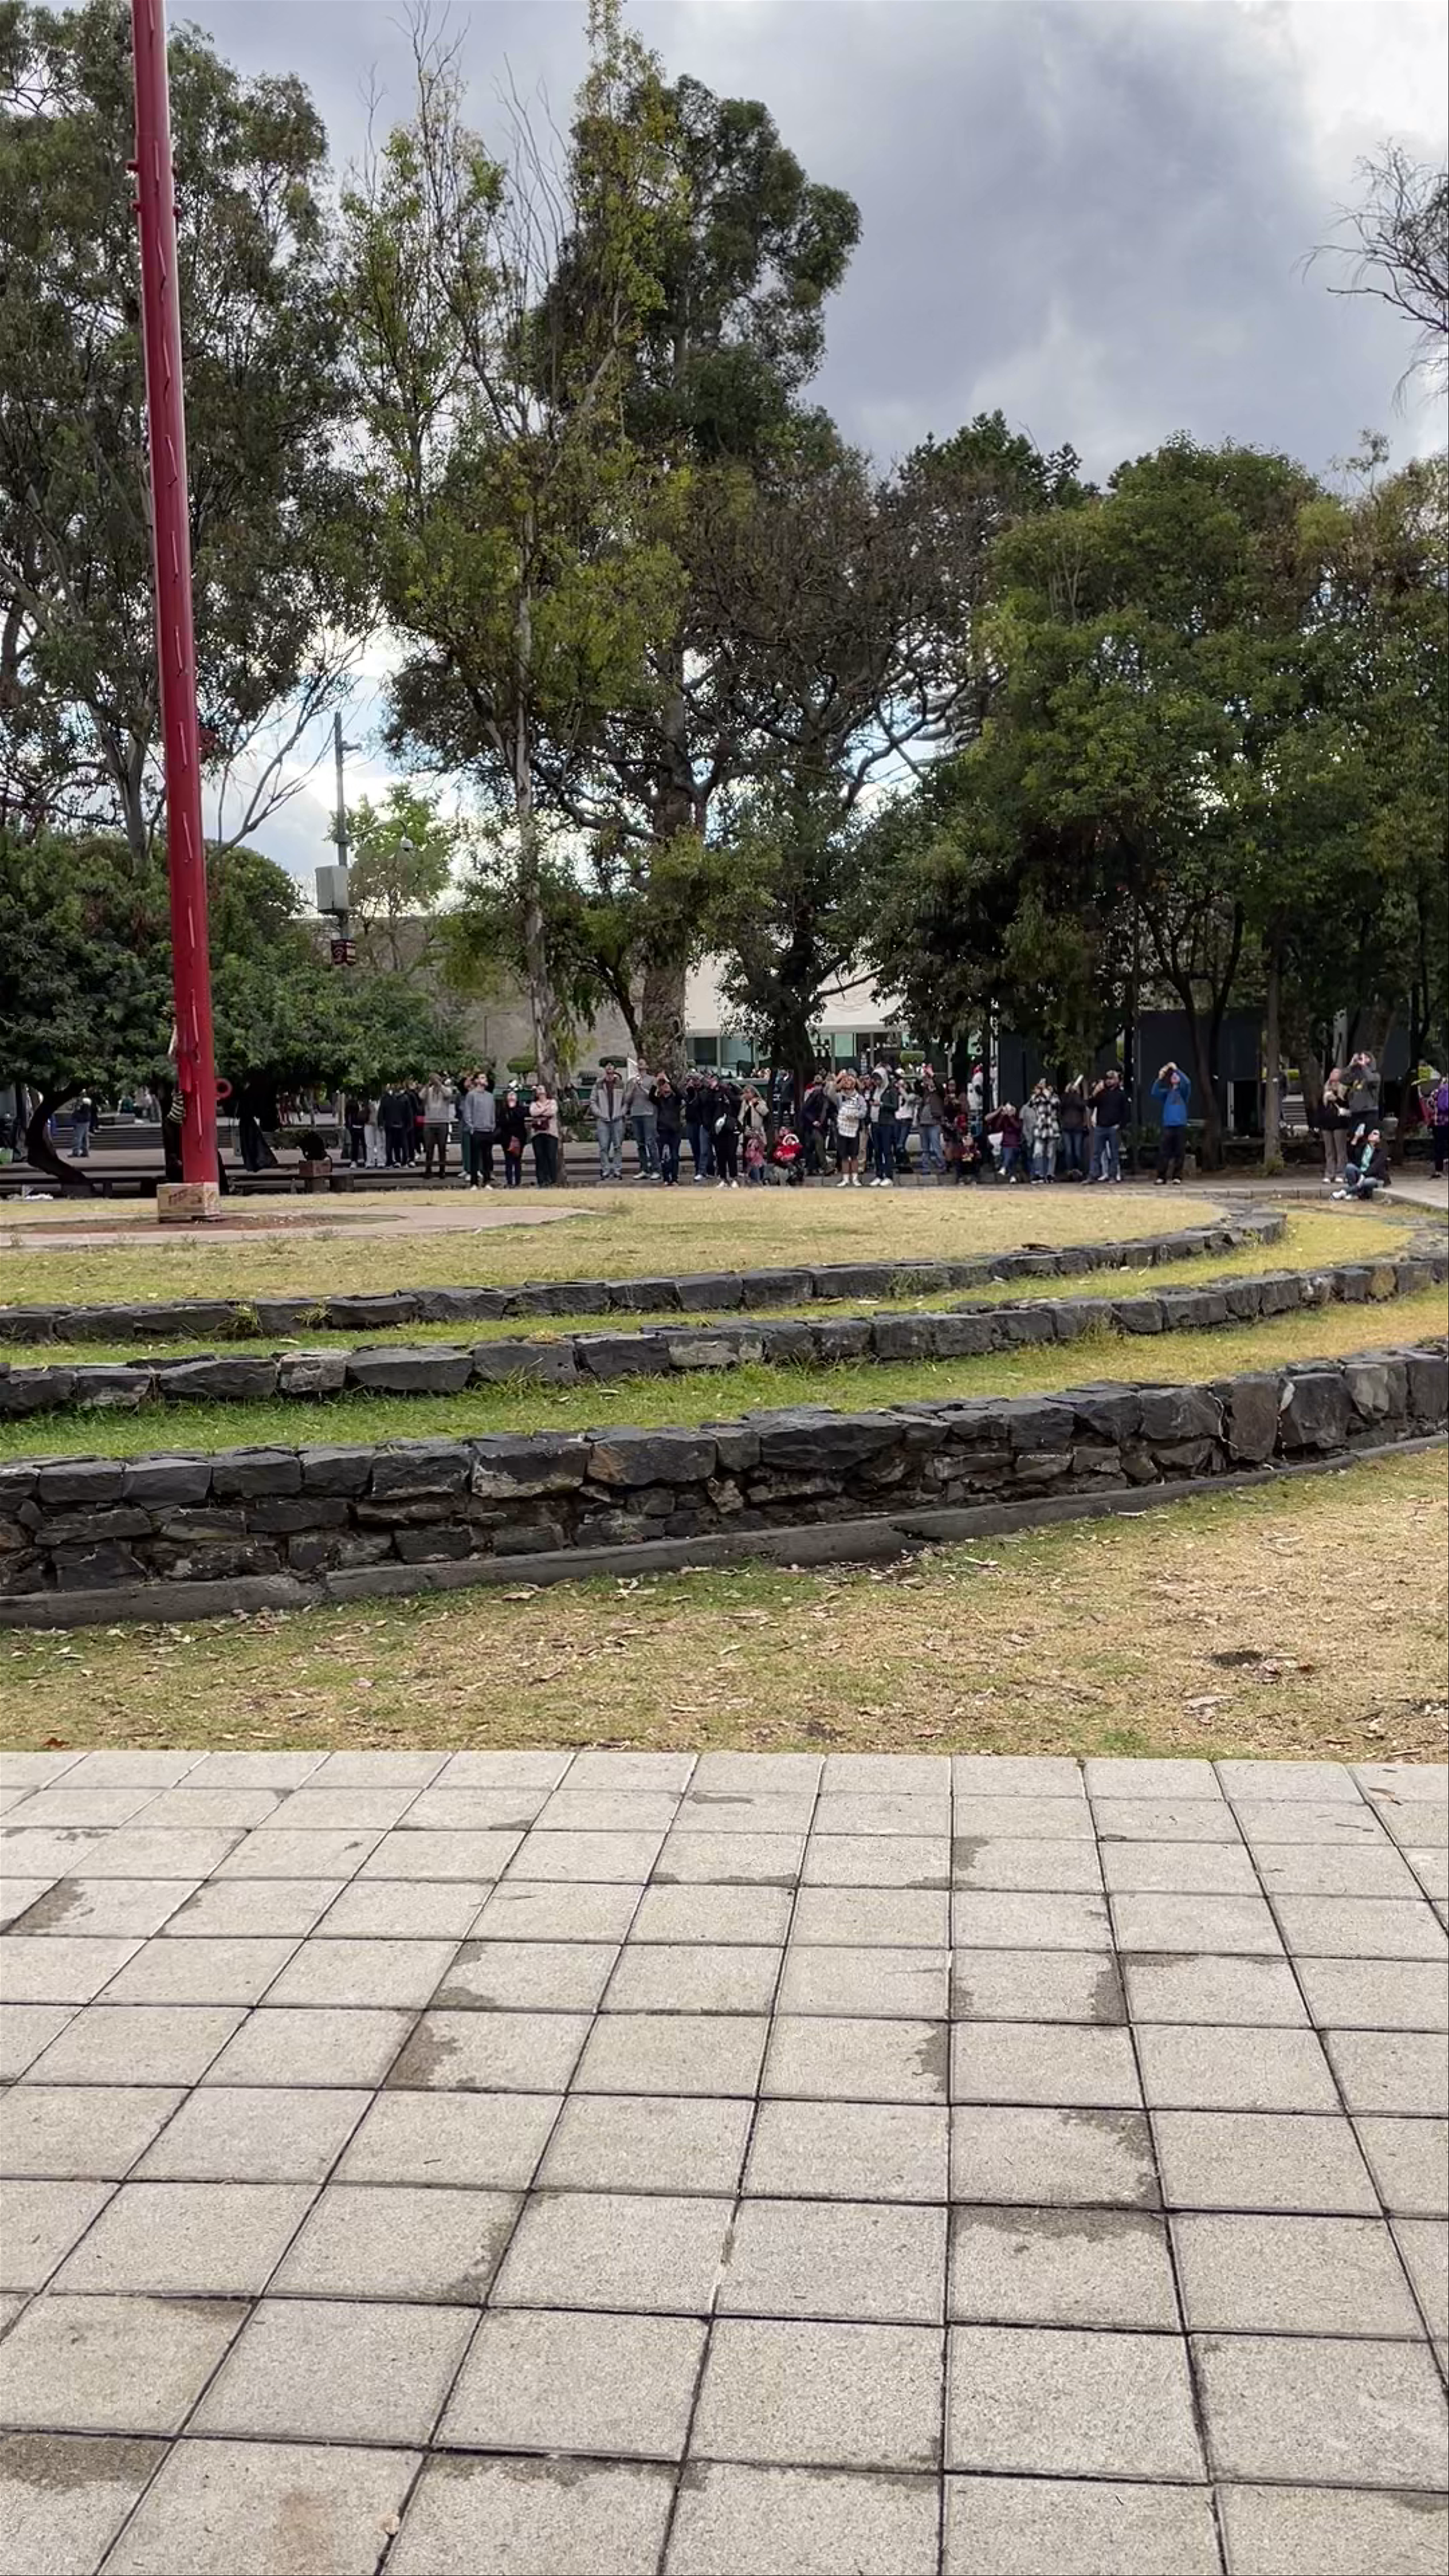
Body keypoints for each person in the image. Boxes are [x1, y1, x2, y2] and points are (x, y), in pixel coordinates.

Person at [1151, 1062, 1192, 1183]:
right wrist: (1160, 1078)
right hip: (1168, 1125)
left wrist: (1177, 1070)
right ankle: (1161, 1176)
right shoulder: (1167, 1093)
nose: (1174, 1077)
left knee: (1180, 1152)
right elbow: (1154, 1092)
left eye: (1176, 1076)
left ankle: (1177, 1176)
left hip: (1180, 1125)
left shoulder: (1183, 1092)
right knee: (1164, 1152)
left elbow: (1187, 1083)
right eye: (1172, 1076)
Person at [589, 1064, 626, 1183]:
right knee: (604, 1147)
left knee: (618, 1146)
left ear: (615, 1071)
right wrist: (599, 1114)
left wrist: (621, 1113)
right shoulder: (599, 1085)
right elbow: (593, 1101)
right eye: (608, 1068)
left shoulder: (621, 1084)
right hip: (603, 1120)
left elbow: (626, 1102)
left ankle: (617, 1170)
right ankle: (605, 1170)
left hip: (617, 1119)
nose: (610, 1070)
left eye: (612, 1068)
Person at [1090, 1070, 1128, 1182]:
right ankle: (1093, 1175)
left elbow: (1126, 1112)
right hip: (1101, 1127)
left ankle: (1113, 1176)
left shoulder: (1121, 1094)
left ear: (1117, 1080)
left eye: (1112, 1079)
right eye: (1107, 1079)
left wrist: (1120, 1125)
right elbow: (1090, 1104)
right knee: (1096, 1153)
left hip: (1113, 1127)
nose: (1109, 1081)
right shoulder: (1102, 1093)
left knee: (1114, 1154)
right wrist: (1095, 1093)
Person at [460, 1072, 496, 1187]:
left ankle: (487, 1181)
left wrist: (492, 1125)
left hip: (488, 1130)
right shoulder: (471, 1095)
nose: (485, 1080)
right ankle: (474, 1183)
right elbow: (468, 1112)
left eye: (485, 1078)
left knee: (487, 1158)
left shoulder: (490, 1096)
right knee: (475, 1158)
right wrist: (471, 1127)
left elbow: (492, 1112)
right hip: (476, 1130)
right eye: (482, 1078)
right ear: (476, 1081)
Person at [1335, 1126, 1390, 1200]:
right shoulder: (1364, 1146)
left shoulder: (1382, 1150)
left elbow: (1376, 1166)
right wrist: (1356, 1138)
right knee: (1349, 1167)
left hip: (1374, 1176)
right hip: (1361, 1173)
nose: (1372, 1135)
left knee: (1366, 1182)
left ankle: (1346, 1192)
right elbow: (1351, 1155)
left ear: (1379, 1139)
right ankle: (1357, 1194)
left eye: (1375, 1134)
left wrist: (1364, 1175)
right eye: (1371, 1133)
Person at [831, 1070, 866, 1187]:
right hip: (842, 1129)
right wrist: (838, 1079)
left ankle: (855, 1178)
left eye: (850, 1081)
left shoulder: (859, 1098)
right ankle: (845, 1178)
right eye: (845, 1081)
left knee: (854, 1154)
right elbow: (829, 1093)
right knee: (844, 1155)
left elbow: (864, 1111)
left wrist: (855, 1115)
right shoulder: (839, 1097)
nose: (847, 1083)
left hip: (854, 1129)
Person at [1318, 1066, 1351, 1190]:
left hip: (1340, 1123)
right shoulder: (1325, 1090)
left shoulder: (1345, 1090)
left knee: (1340, 1150)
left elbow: (1348, 1106)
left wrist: (1336, 1099)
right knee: (1329, 1151)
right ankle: (1329, 1173)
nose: (1334, 1076)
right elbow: (1321, 1108)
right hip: (1327, 1124)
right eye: (1332, 1073)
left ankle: (1341, 1173)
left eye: (1337, 1073)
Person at [623, 1066, 658, 1180]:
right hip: (636, 1114)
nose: (640, 1066)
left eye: (642, 1064)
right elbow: (627, 1100)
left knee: (650, 1142)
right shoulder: (631, 1082)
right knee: (640, 1144)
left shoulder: (652, 1080)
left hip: (648, 1113)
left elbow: (654, 1096)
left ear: (647, 1067)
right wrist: (633, 1088)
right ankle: (644, 1169)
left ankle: (656, 1169)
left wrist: (642, 1087)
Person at [871, 1066, 900, 1187]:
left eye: (878, 1079)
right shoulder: (875, 1090)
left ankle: (889, 1176)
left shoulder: (891, 1090)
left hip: (887, 1124)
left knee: (887, 1151)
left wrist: (882, 1104)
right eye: (875, 1080)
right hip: (875, 1123)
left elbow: (896, 1106)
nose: (876, 1082)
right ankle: (879, 1175)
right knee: (877, 1151)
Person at [528, 1080, 561, 1186]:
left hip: (551, 1133)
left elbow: (552, 1111)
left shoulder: (552, 1102)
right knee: (540, 1157)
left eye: (542, 1088)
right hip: (538, 1134)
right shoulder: (534, 1104)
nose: (540, 1090)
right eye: (538, 1089)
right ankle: (542, 1180)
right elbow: (533, 1112)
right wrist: (544, 1110)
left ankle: (552, 1179)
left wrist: (541, 1112)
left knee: (551, 1156)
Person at [914, 1068, 945, 1179]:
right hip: (923, 1123)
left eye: (930, 1080)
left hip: (934, 1122)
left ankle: (942, 1167)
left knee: (936, 1147)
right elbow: (916, 1087)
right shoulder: (925, 1092)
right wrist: (921, 1078)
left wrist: (933, 1076)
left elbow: (941, 1087)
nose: (928, 1082)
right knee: (925, 1148)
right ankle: (926, 1168)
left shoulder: (939, 1093)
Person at [1028, 1079, 1061, 1183]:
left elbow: (1055, 1104)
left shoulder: (1055, 1098)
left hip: (1052, 1127)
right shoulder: (1037, 1097)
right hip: (1040, 1127)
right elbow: (1031, 1103)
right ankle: (1039, 1175)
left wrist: (1046, 1092)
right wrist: (1039, 1092)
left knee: (1051, 1153)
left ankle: (1050, 1174)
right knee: (1038, 1152)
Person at [421, 1075, 454, 1178]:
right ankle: (428, 1170)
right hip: (429, 1122)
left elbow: (448, 1094)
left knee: (442, 1148)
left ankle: (442, 1170)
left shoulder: (446, 1090)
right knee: (429, 1148)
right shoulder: (428, 1090)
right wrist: (427, 1085)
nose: (435, 1082)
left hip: (442, 1122)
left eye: (437, 1080)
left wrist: (439, 1085)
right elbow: (421, 1096)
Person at [711, 1076, 741, 1187]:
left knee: (731, 1154)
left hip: (732, 1129)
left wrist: (728, 1090)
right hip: (719, 1129)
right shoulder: (717, 1096)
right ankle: (723, 1178)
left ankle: (734, 1178)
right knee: (720, 1155)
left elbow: (736, 1101)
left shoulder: (733, 1095)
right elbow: (711, 1103)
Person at [653, 1076, 682, 1185]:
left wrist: (669, 1081)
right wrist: (655, 1083)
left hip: (675, 1131)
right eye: (663, 1085)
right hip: (663, 1131)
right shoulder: (659, 1100)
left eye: (667, 1085)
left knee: (675, 1156)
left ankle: (675, 1178)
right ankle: (666, 1178)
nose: (666, 1086)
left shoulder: (676, 1100)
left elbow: (680, 1094)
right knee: (664, 1156)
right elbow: (651, 1096)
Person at [985, 1101, 1024, 1182]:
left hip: (1016, 1145)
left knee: (1010, 1153)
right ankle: (1012, 1176)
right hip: (1006, 1145)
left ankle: (1004, 1168)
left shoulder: (1018, 1119)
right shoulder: (1005, 1120)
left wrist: (1011, 1117)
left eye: (1011, 1110)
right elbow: (997, 1128)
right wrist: (1002, 1116)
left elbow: (1018, 1127)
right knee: (1009, 1155)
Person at [497, 1085, 528, 1187]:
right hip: (507, 1138)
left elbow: (520, 1118)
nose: (512, 1097)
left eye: (513, 1096)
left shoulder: (521, 1109)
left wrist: (514, 1109)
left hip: (519, 1137)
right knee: (508, 1161)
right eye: (510, 1096)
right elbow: (502, 1123)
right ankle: (510, 1182)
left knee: (518, 1160)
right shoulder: (503, 1111)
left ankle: (518, 1182)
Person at [1060, 1079, 1089, 1180]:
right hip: (1067, 1127)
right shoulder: (1065, 1098)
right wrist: (1067, 1093)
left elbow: (1081, 1105)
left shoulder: (1079, 1098)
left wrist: (1076, 1094)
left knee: (1077, 1152)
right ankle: (1070, 1171)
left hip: (1078, 1127)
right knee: (1068, 1152)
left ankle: (1079, 1171)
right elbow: (1062, 1105)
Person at [379, 1084, 413, 1168]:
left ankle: (398, 1161)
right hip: (396, 1124)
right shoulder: (403, 1098)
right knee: (395, 1144)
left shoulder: (388, 1098)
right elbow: (382, 1111)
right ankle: (397, 1161)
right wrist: (381, 1123)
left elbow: (409, 1112)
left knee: (396, 1144)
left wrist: (409, 1124)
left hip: (396, 1124)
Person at [1346, 1052, 1380, 1132]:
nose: (1362, 1060)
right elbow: (1343, 1080)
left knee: (1368, 1136)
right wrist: (1351, 1065)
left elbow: (1370, 1079)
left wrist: (1364, 1066)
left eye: (1366, 1058)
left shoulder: (1376, 1075)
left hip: (1369, 1112)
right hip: (1355, 1112)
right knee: (1354, 1138)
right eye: (1361, 1058)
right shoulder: (1356, 1076)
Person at [343, 1092, 368, 1168]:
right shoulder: (351, 1104)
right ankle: (355, 1161)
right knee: (355, 1145)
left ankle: (366, 1160)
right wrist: (348, 1125)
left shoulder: (365, 1104)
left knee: (364, 1145)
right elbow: (347, 1115)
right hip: (355, 1127)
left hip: (362, 1127)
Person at [71, 1089, 95, 1158]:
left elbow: (78, 1111)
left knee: (78, 1137)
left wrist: (75, 1115)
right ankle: (85, 1152)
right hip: (86, 1121)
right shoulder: (87, 1101)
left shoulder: (82, 1102)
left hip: (81, 1121)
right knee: (85, 1138)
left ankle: (76, 1152)